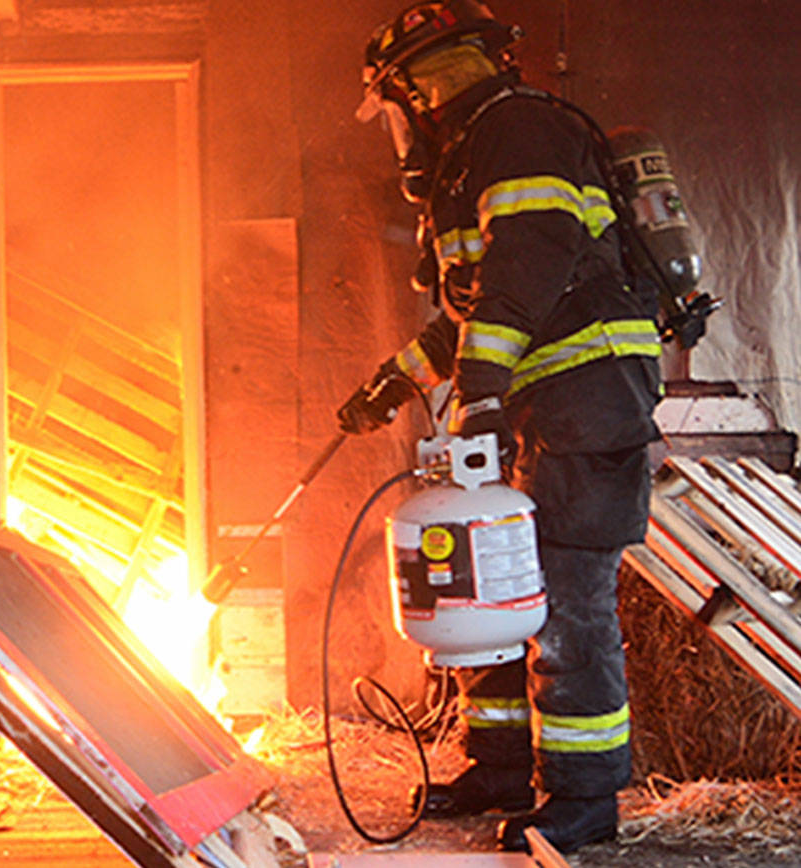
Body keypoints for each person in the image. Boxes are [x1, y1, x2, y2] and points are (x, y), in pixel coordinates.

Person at [336, 0, 663, 854]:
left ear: (418, 87)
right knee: (488, 585)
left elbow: (527, 263)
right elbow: (473, 310)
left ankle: (583, 800)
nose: (402, 129)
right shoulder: (476, 154)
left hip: (588, 399)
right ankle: (499, 767)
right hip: (539, 402)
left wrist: (478, 389)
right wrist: (396, 381)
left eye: (399, 105)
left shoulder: (517, 132)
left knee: (564, 600)